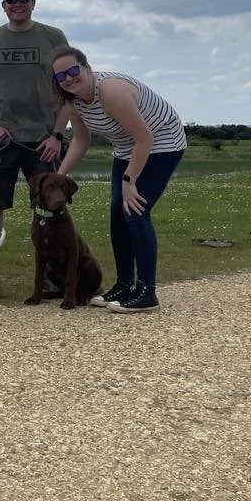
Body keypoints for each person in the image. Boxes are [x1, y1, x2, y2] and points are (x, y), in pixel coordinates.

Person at [52, 45, 186, 313]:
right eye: (60, 76)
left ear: (87, 69)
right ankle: (125, 284)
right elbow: (81, 139)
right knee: (117, 214)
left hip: (161, 144)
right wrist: (59, 176)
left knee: (135, 211)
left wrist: (130, 182)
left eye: (73, 70)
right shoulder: (71, 101)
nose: (68, 78)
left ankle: (147, 292)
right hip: (126, 147)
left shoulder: (111, 92)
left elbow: (144, 139)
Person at [0, 0, 70, 298]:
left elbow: (68, 90)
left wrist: (57, 134)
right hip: (4, 141)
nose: (18, 4)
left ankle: (52, 276)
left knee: (48, 209)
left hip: (43, 140)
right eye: (12, 0)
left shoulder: (54, 37)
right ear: (4, 6)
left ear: (34, 3)